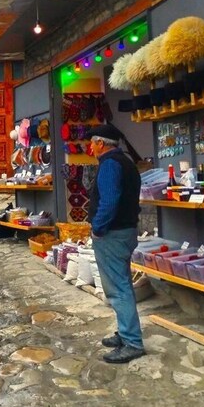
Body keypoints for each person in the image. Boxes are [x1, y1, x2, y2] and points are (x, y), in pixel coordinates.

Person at [85, 124, 145, 364]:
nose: (90, 147)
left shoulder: (110, 164)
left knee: (118, 289)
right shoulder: (125, 162)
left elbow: (109, 202)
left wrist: (98, 228)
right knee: (123, 284)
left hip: (113, 233)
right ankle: (125, 331)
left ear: (101, 143)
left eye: (92, 143)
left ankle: (132, 342)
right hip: (125, 230)